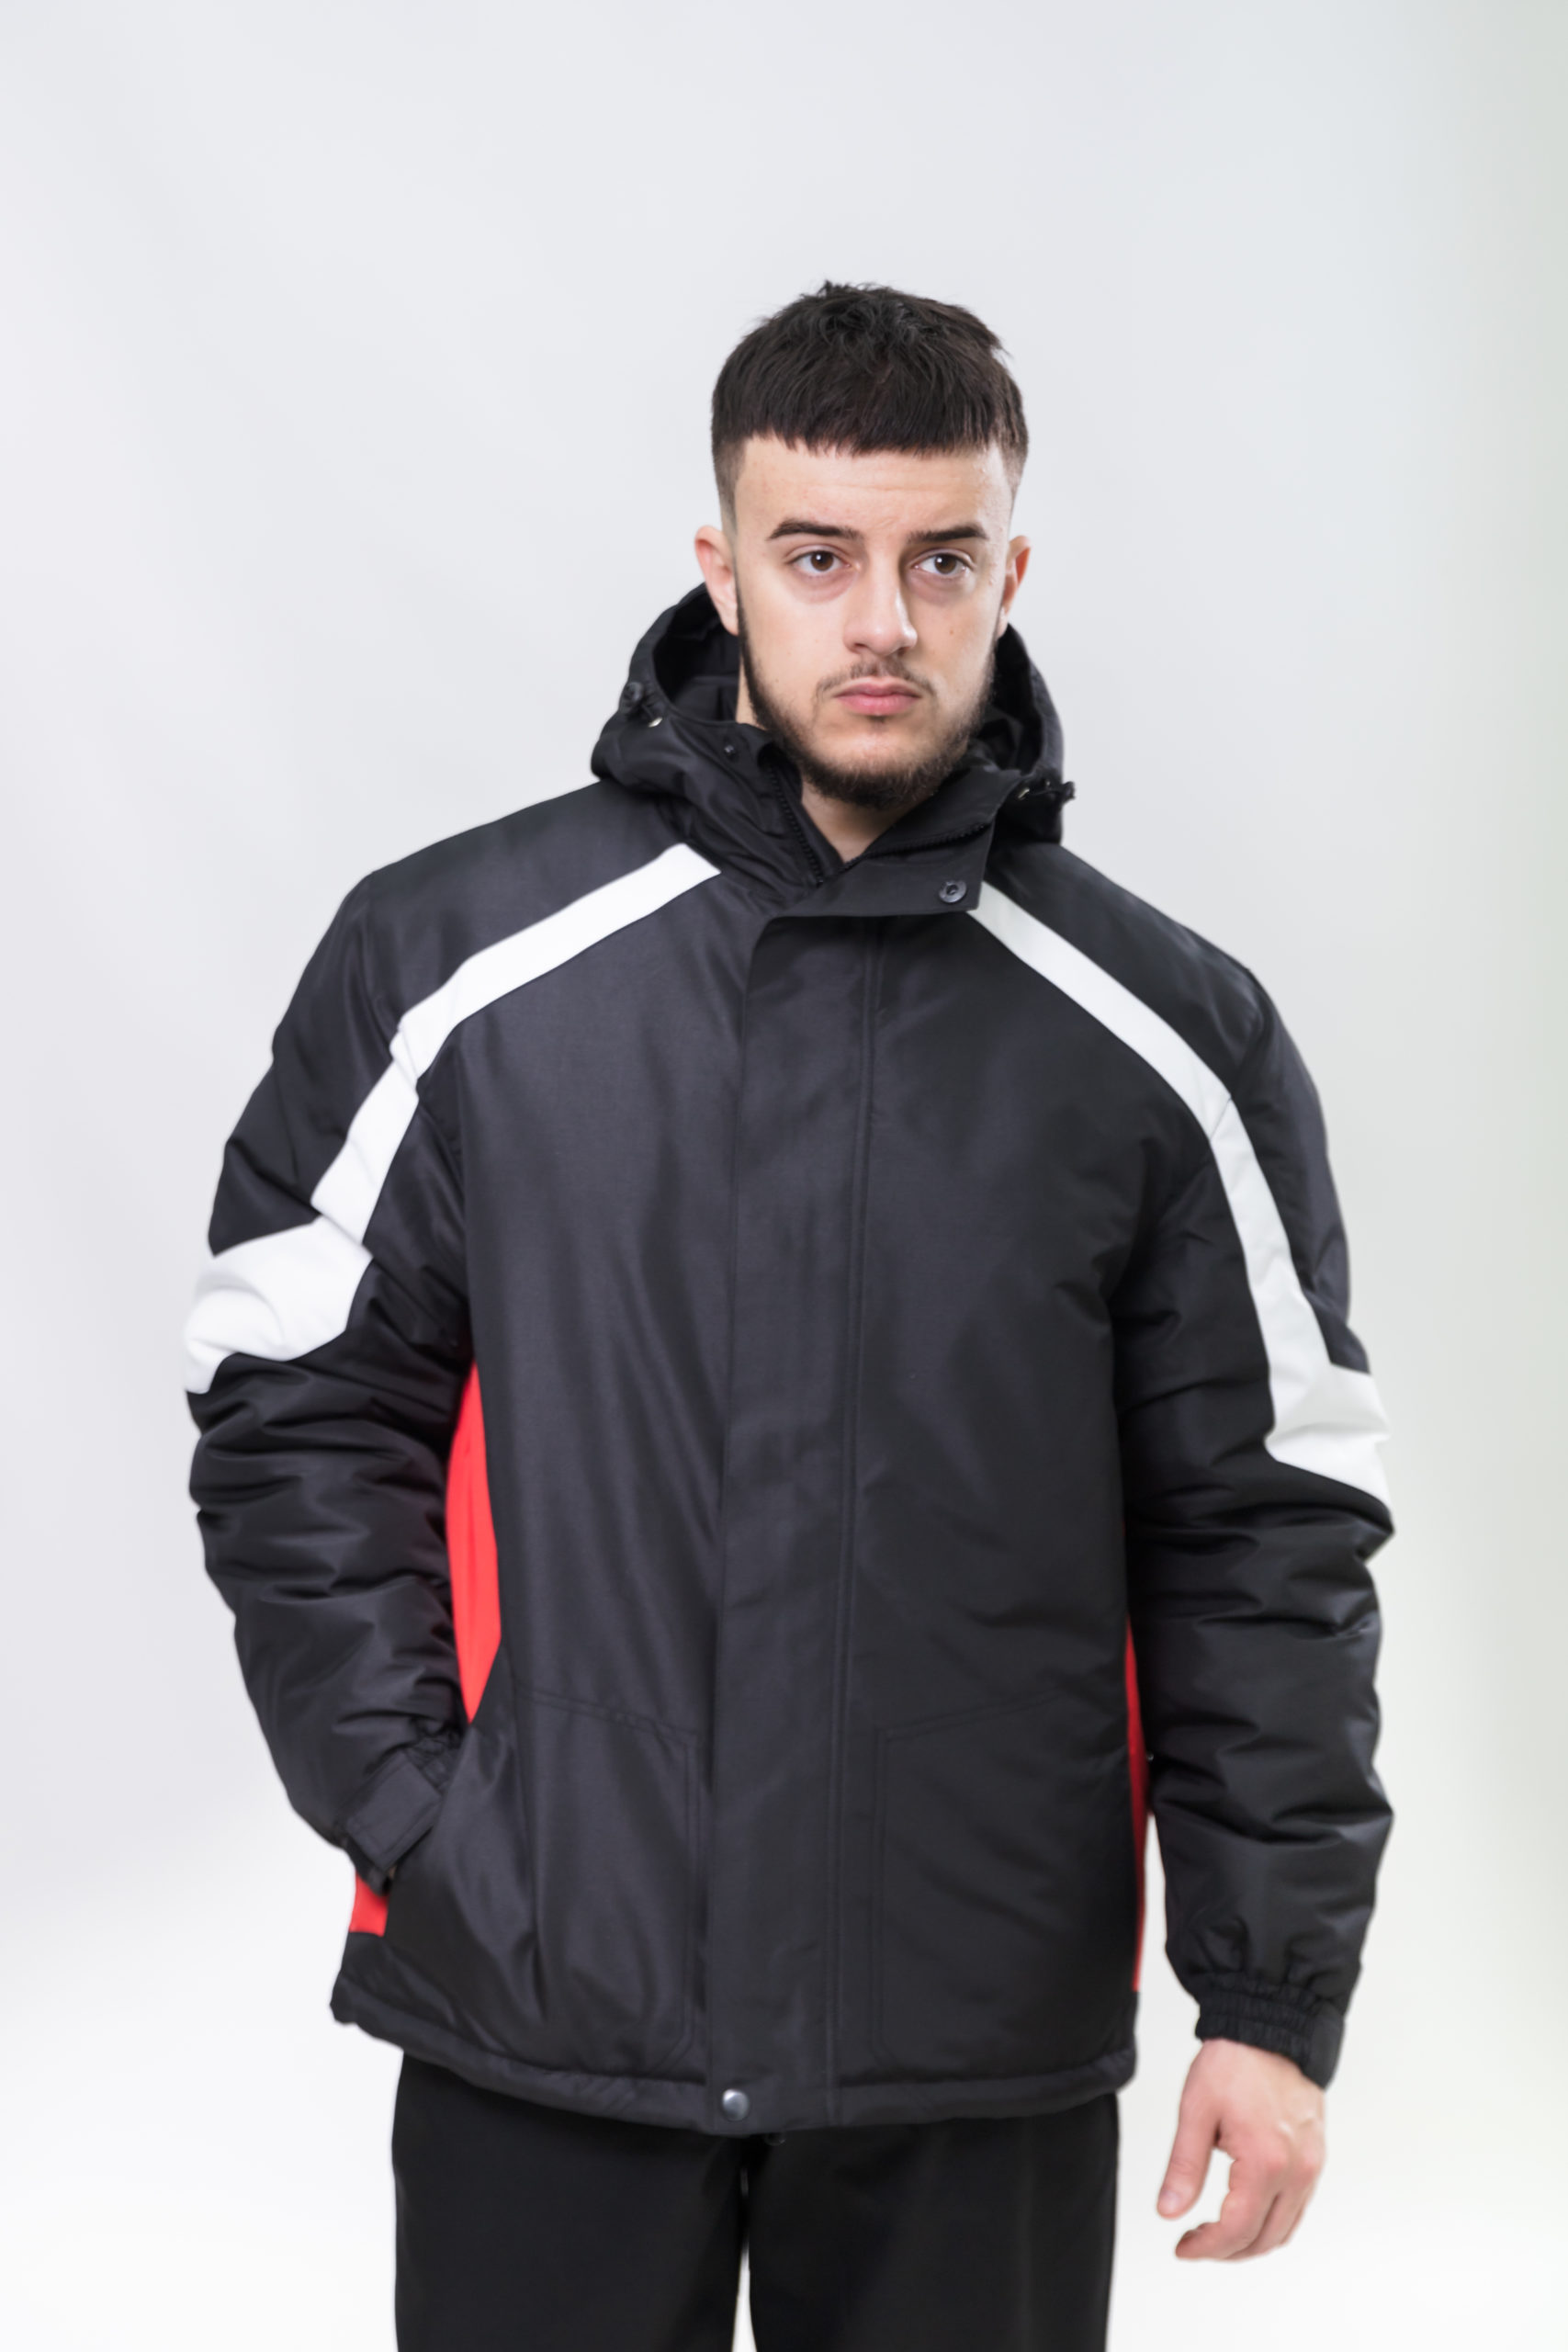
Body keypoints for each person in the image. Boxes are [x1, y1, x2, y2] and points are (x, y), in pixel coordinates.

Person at [185, 283, 1393, 2352]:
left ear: (1010, 570)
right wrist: (424, 1815)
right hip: (549, 1997)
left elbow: (1262, 1529)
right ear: (721, 563)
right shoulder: (459, 959)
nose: (883, 623)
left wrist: (1269, 1998)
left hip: (970, 2033)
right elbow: (290, 1401)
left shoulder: (1163, 1034)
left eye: (941, 561)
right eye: (818, 558)